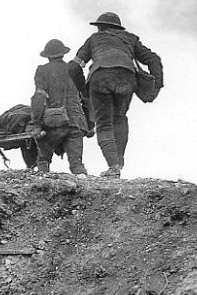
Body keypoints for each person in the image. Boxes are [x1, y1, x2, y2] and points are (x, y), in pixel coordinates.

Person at [68, 12, 163, 178]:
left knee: (104, 123)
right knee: (119, 118)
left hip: (100, 79)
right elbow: (153, 59)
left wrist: (83, 90)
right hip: (126, 78)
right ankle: (118, 161)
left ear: (101, 27)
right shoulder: (130, 39)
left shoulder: (94, 39)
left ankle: (113, 166)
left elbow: (74, 67)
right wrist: (157, 85)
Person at [28, 39, 92, 177]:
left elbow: (39, 97)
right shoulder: (74, 70)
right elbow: (86, 98)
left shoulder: (43, 71)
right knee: (77, 164)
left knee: (43, 161)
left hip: (53, 124)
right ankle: (84, 183)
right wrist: (89, 124)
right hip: (76, 123)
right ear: (63, 54)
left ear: (48, 56)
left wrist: (37, 125)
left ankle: (43, 185)